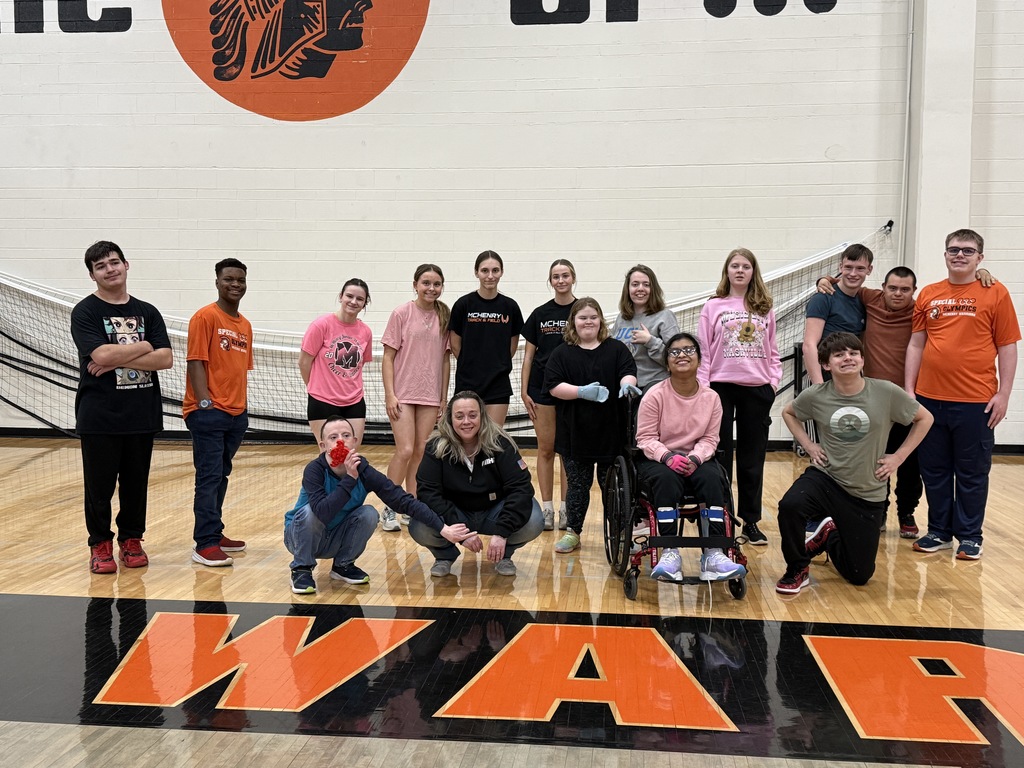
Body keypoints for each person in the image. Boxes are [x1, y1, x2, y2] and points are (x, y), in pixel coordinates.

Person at [813, 265, 994, 538]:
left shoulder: (921, 308)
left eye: (905, 289)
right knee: (877, 458)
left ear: (914, 292)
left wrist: (980, 273)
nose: (898, 294)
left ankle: (906, 512)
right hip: (873, 401)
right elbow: (850, 282)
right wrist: (826, 279)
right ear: (882, 288)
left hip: (909, 397)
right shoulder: (869, 298)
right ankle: (880, 509)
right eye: (893, 288)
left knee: (910, 462)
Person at [777, 333, 933, 594]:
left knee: (859, 575)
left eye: (853, 353)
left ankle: (827, 535)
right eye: (839, 354)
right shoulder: (816, 395)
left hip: (865, 491)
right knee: (791, 505)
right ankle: (797, 568)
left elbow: (925, 418)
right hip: (826, 478)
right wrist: (809, 445)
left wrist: (899, 456)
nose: (847, 358)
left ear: (862, 359)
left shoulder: (886, 391)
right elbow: (789, 412)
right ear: (826, 365)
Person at [905, 229, 1020, 560]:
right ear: (945, 255)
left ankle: (970, 536)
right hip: (929, 401)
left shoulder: (995, 293)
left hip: (977, 402)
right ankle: (939, 531)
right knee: (935, 471)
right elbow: (916, 343)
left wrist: (1004, 394)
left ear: (980, 258)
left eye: (968, 251)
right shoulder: (929, 293)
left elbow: (1007, 347)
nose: (959, 255)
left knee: (971, 472)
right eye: (953, 250)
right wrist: (910, 391)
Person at [70, 241, 173, 573]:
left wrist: (118, 354)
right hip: (99, 415)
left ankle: (131, 539)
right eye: (101, 266)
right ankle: (99, 544)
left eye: (114, 262)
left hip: (141, 413)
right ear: (92, 274)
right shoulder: (85, 312)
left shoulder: (148, 311)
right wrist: (144, 346)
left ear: (126, 265)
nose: (110, 269)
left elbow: (166, 358)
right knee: (98, 486)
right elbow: (100, 356)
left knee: (135, 484)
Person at [284, 416, 474, 594]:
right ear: (323, 445)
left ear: (355, 441)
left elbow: (401, 500)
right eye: (333, 437)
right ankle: (301, 569)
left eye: (346, 435)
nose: (340, 441)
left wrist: (443, 528)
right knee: (310, 512)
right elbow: (323, 513)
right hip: (300, 538)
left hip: (334, 537)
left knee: (369, 514)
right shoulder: (315, 470)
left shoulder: (363, 469)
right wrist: (350, 479)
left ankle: (343, 565)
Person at [637, 332, 749, 582]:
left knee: (712, 478)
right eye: (674, 352)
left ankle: (713, 553)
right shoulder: (655, 395)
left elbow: (710, 439)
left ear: (699, 359)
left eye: (689, 350)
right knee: (666, 480)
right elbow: (644, 438)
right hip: (659, 460)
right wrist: (667, 457)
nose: (682, 355)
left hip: (696, 459)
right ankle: (669, 552)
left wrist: (696, 458)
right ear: (667, 362)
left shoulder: (711, 398)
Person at [697, 248, 781, 546]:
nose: (740, 271)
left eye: (746, 266)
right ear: (727, 271)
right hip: (720, 387)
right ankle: (723, 518)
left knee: (752, 458)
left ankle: (751, 522)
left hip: (756, 389)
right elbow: (704, 350)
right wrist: (704, 386)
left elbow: (773, 350)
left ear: (753, 271)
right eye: (735, 266)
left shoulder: (764, 307)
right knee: (719, 455)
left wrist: (772, 382)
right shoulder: (713, 306)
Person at [411, 391, 544, 577]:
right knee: (419, 524)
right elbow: (427, 493)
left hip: (494, 512)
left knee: (534, 519)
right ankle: (444, 556)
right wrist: (458, 530)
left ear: (482, 416)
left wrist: (502, 532)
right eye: (459, 416)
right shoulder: (435, 447)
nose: (466, 421)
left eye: (473, 415)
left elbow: (521, 489)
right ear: (450, 419)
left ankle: (503, 555)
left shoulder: (501, 443)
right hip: (455, 513)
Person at [545, 297, 639, 554]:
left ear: (600, 321)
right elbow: (553, 386)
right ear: (573, 322)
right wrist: (580, 392)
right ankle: (573, 532)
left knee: (614, 487)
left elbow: (627, 371)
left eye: (593, 317)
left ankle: (620, 533)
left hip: (611, 432)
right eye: (582, 317)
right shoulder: (562, 353)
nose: (588, 321)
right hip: (575, 433)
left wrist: (626, 384)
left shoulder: (616, 349)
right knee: (577, 486)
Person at [184, 258, 254, 567]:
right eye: (229, 279)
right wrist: (203, 403)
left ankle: (215, 531)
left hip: (237, 414)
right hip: (209, 412)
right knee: (209, 477)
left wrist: (241, 409)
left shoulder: (245, 325)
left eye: (240, 279)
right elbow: (196, 361)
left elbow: (239, 371)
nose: (235, 284)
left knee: (221, 475)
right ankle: (205, 543)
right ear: (217, 282)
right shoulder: (204, 317)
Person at [380, 264, 451, 531]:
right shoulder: (401, 313)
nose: (431, 288)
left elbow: (445, 361)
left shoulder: (444, 316)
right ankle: (388, 506)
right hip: (403, 394)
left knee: (422, 451)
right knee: (405, 449)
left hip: (430, 395)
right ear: (415, 284)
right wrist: (390, 394)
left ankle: (412, 505)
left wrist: (443, 397)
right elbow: (388, 357)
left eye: (436, 284)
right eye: (426, 283)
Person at [521, 258, 577, 531]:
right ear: (550, 281)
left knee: (567, 453)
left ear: (573, 278)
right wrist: (523, 389)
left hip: (573, 391)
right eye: (556, 276)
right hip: (541, 390)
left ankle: (566, 510)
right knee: (545, 450)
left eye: (565, 275)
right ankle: (546, 509)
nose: (561, 280)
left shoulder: (582, 311)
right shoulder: (540, 313)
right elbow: (529, 356)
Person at [449, 250, 524, 427]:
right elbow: (455, 345)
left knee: (493, 440)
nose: (490, 276)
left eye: (495, 270)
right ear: (476, 272)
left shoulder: (510, 306)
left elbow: (512, 347)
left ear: (501, 272)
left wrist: (496, 364)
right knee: (467, 438)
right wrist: (473, 365)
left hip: (498, 383)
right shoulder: (463, 305)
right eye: (484, 271)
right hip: (467, 382)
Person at [298, 278, 373, 445]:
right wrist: (316, 388)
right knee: (329, 456)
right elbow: (304, 363)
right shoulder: (321, 325)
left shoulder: (366, 332)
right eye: (349, 296)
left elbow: (359, 365)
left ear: (365, 303)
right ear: (341, 296)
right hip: (323, 401)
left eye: (360, 299)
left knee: (351, 454)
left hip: (354, 401)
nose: (354, 302)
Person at [802, 244, 872, 385]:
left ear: (869, 270)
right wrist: (818, 386)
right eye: (848, 267)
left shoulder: (865, 300)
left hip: (852, 378)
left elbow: (861, 343)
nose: (853, 273)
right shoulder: (823, 298)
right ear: (841, 267)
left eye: (860, 268)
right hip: (827, 378)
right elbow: (809, 345)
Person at [611, 265, 679, 393]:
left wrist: (650, 341)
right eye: (635, 284)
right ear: (628, 289)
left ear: (653, 289)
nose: (640, 289)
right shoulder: (622, 318)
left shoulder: (664, 316)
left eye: (646, 284)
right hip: (625, 387)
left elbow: (676, 358)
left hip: (655, 387)